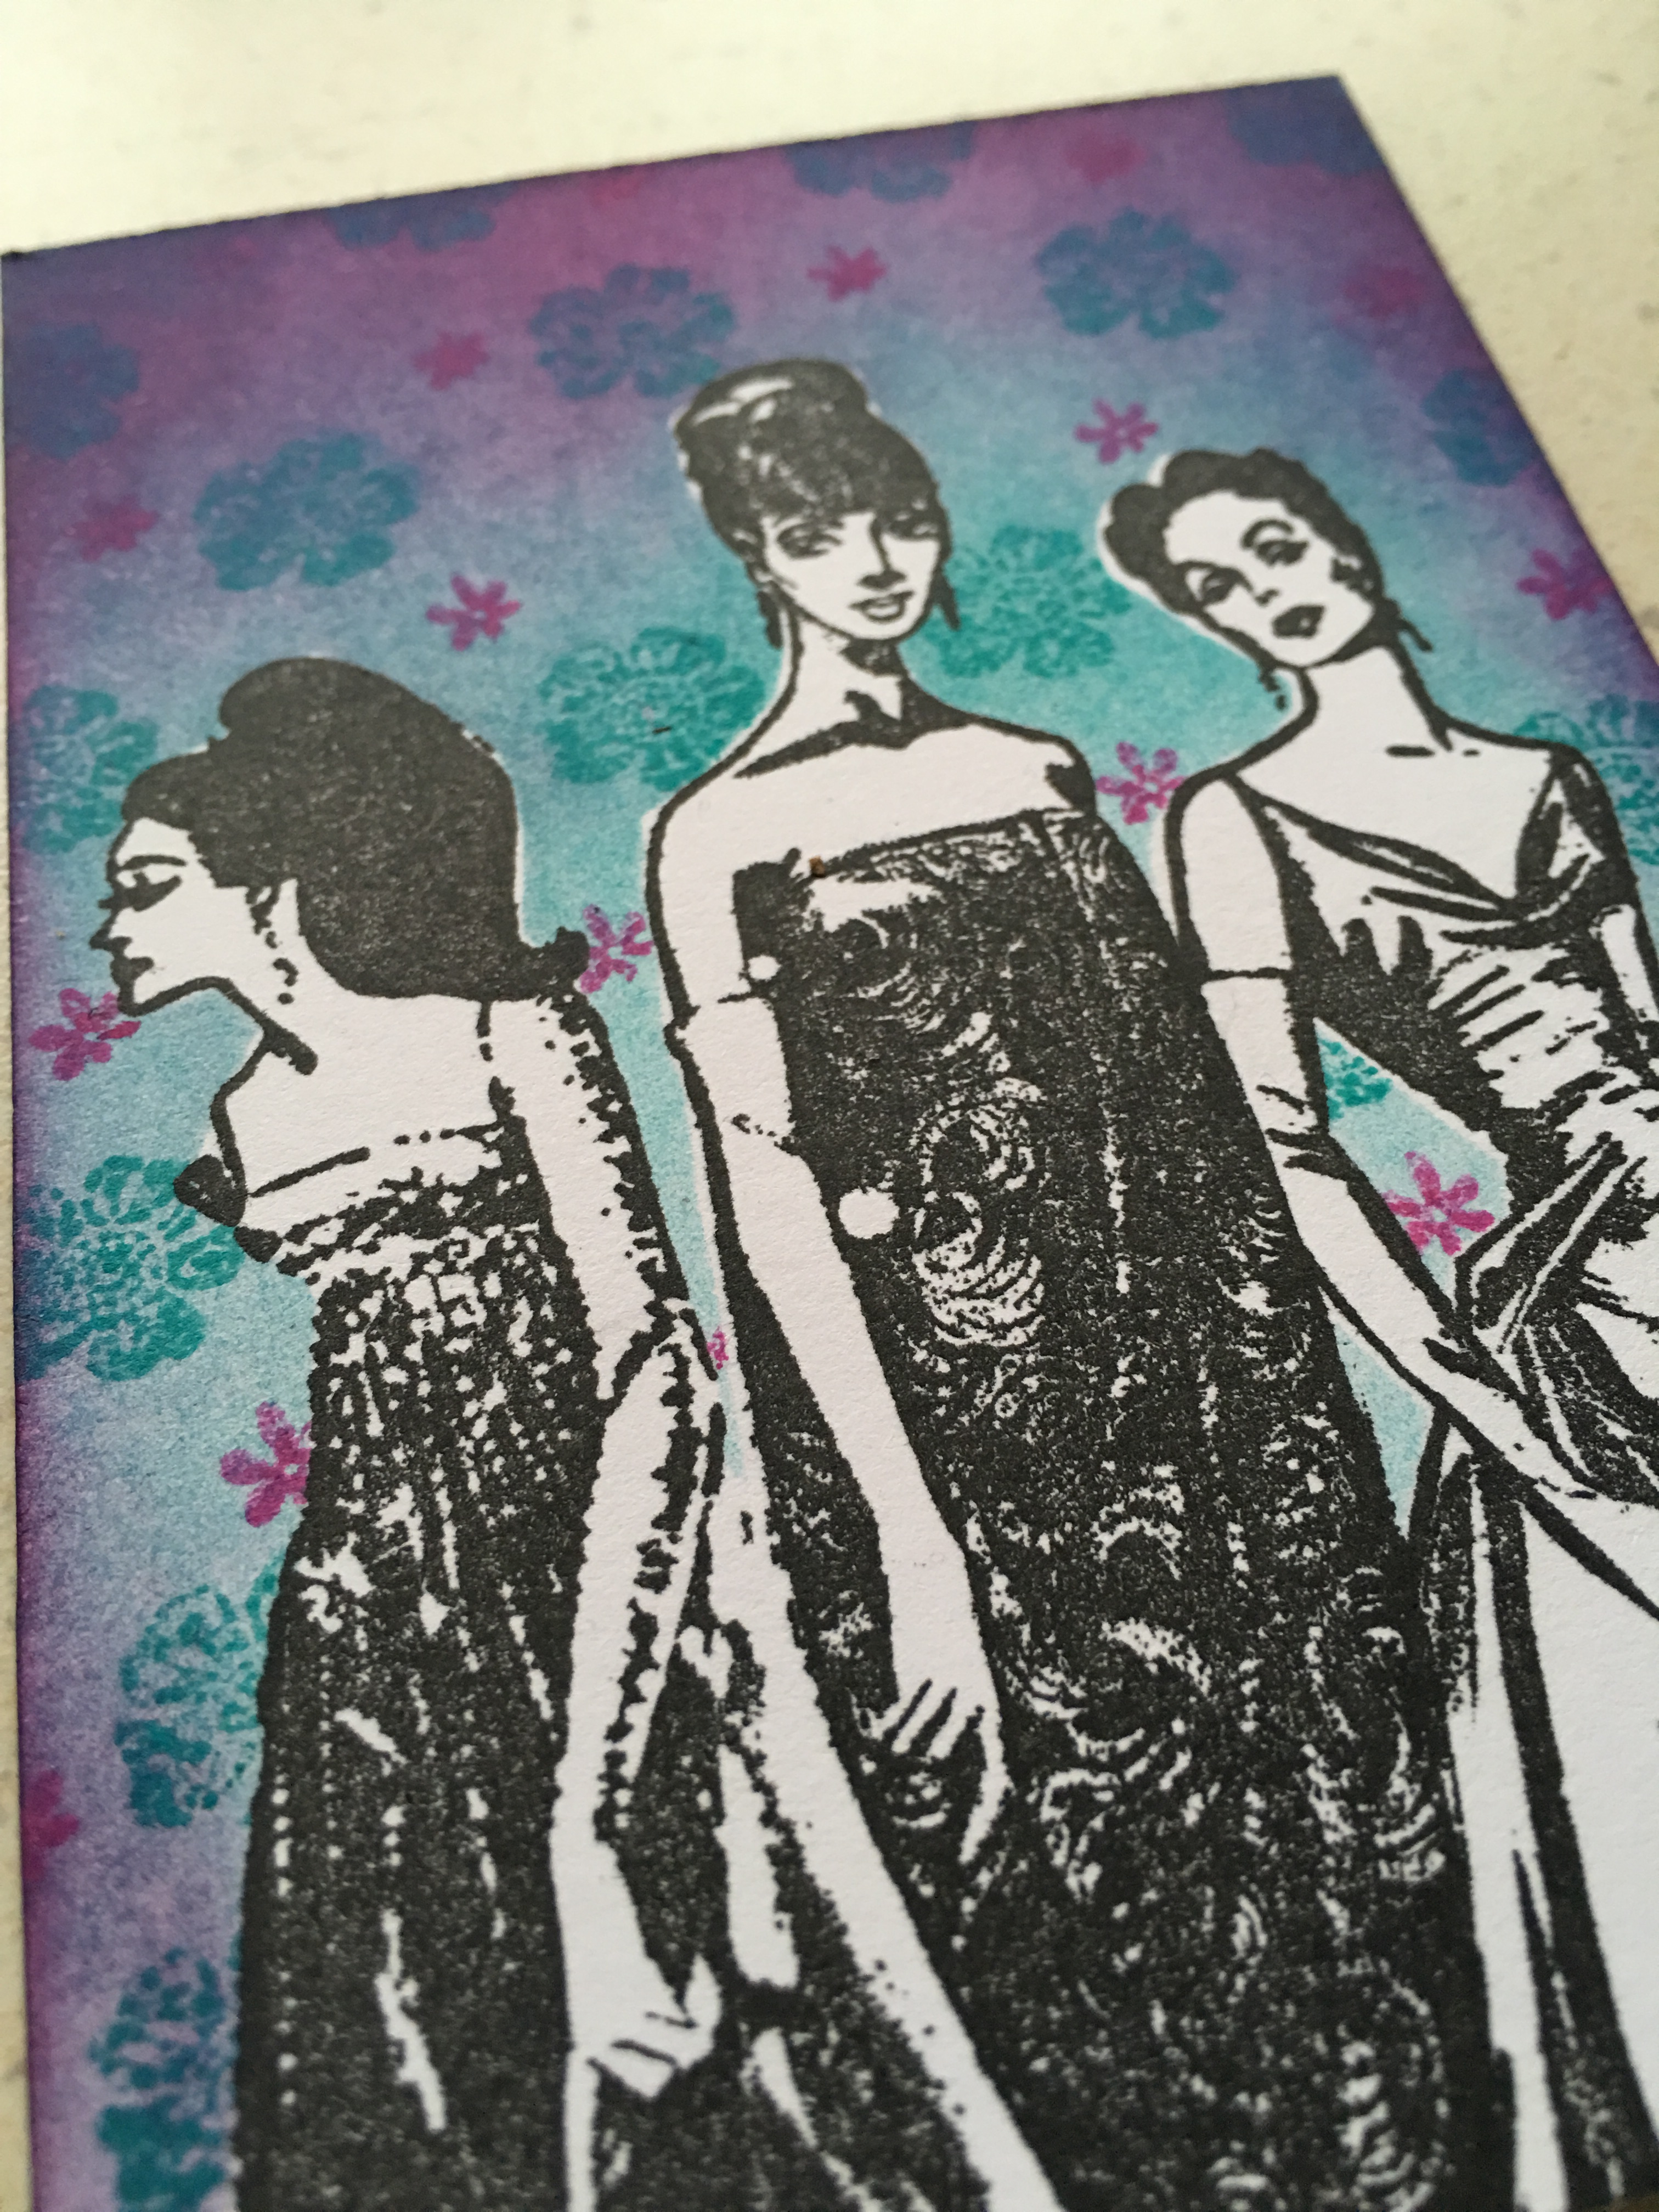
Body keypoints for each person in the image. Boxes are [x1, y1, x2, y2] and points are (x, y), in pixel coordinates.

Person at [648, 361, 1506, 2212]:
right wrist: (910, 1535)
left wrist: (1277, 1372)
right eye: (819, 532)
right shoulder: (715, 836)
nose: (876, 560)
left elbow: (1174, 1100)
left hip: (1211, 1371)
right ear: (758, 556)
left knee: (1342, 1798)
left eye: (897, 517)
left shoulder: (1035, 770)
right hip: (970, 1428)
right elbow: (768, 1197)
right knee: (1106, 1872)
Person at [93, 659, 725, 2211]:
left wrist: (596, 1789)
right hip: (371, 1627)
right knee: (399, 2029)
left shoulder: (515, 1030)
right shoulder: (246, 1121)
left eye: (148, 884)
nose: (107, 926)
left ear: (271, 881)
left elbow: (653, 1361)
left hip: (578, 1567)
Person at [1105, 446, 1659, 2212]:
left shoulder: (1547, 775)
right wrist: (1481, 1398)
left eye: (1277, 545)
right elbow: (1285, 1143)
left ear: (1342, 536)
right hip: (1565, 1324)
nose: (1267, 592)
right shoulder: (1237, 822)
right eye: (1218, 589)